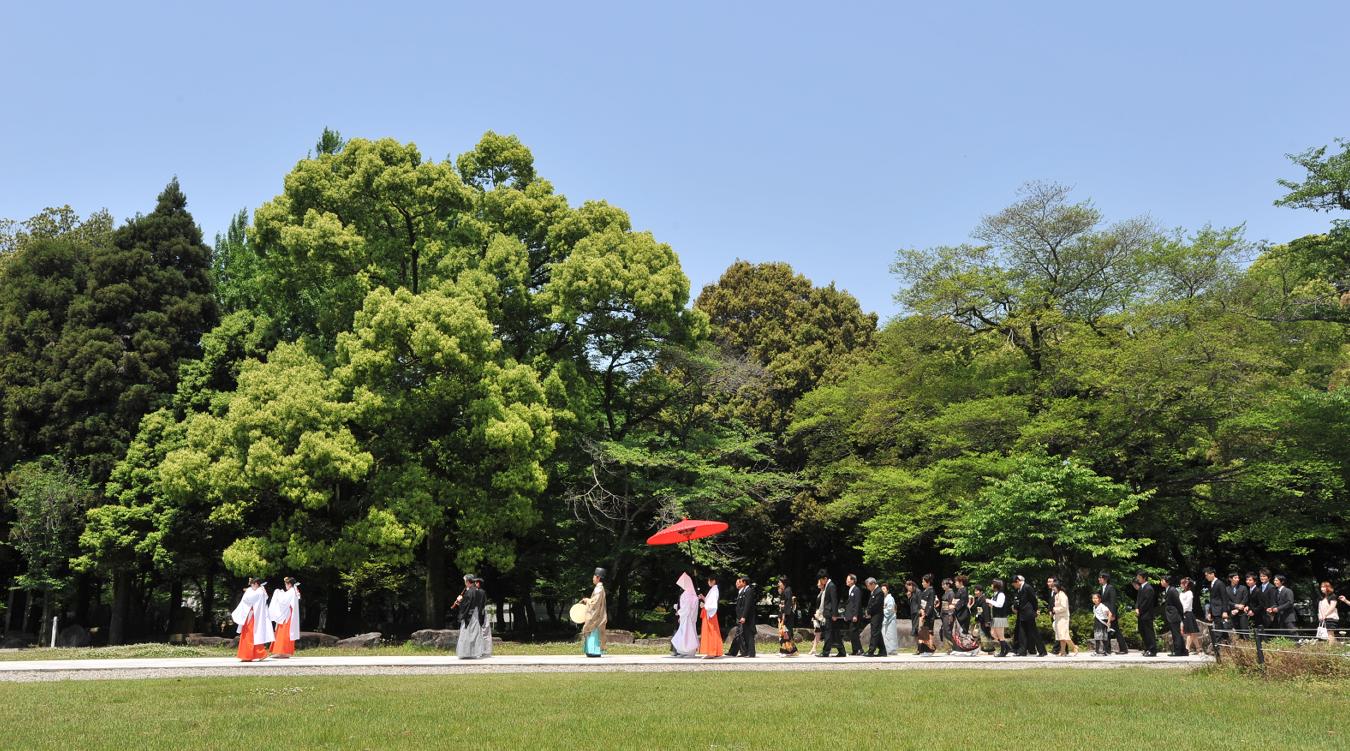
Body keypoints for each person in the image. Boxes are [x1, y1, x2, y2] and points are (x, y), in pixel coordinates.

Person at [232, 578, 274, 662]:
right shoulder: (260, 591)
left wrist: (247, 591)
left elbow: (247, 599)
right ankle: (259, 654)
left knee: (249, 635)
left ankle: (247, 655)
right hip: (252, 616)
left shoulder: (259, 591)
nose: (251, 586)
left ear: (256, 584)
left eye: (252, 584)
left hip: (254, 617)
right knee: (251, 635)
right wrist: (249, 590)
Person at [1011, 575, 1045, 657]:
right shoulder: (1020, 589)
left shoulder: (1027, 587)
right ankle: (1022, 651)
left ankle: (1042, 651)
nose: (1014, 586)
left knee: (1034, 632)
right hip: (1022, 613)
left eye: (1014, 584)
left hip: (1029, 613)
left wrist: (1036, 610)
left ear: (1017, 581)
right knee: (1022, 633)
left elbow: (1033, 599)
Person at [267, 577, 300, 659]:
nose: (285, 586)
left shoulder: (291, 591)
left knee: (283, 633)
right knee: (286, 633)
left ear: (289, 584)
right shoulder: (293, 591)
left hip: (287, 616)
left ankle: (281, 652)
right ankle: (286, 652)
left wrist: (278, 592)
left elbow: (283, 601)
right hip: (288, 615)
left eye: (286, 584)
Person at [726, 575, 757, 657]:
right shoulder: (744, 591)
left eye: (740, 581)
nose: (739, 583)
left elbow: (747, 605)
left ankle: (751, 653)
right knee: (742, 634)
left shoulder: (749, 590)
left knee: (749, 634)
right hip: (742, 617)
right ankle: (744, 652)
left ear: (744, 582)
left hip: (747, 617)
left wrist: (744, 616)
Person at [456, 574, 486, 659]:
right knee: (475, 633)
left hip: (469, 616)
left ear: (468, 582)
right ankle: (474, 652)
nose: (465, 583)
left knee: (466, 633)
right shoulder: (478, 591)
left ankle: (465, 653)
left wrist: (459, 601)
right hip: (476, 616)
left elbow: (466, 605)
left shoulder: (469, 591)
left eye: (465, 581)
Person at [1098, 572, 1128, 654]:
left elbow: (1113, 601)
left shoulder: (1110, 588)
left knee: (1116, 630)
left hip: (1111, 613)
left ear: (1105, 579)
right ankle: (1107, 649)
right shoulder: (1101, 588)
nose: (1099, 579)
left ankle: (1123, 649)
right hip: (1105, 613)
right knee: (1106, 630)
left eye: (1100, 578)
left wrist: (1113, 614)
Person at [671, 572, 700, 657]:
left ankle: (689, 651)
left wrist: (679, 612)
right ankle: (685, 651)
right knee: (686, 633)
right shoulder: (691, 593)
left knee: (686, 633)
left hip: (687, 617)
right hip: (687, 617)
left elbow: (686, 607)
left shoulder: (687, 593)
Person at [816, 570, 844, 657]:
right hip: (829, 612)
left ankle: (825, 652)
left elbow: (834, 600)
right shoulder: (828, 585)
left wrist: (835, 614)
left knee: (828, 632)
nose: (820, 582)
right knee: (835, 632)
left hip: (830, 613)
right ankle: (842, 651)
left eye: (821, 580)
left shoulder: (831, 586)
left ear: (825, 578)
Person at [581, 568, 608, 657]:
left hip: (596, 617)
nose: (593, 578)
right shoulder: (599, 588)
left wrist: (587, 600)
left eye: (594, 576)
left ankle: (594, 651)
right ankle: (591, 651)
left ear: (598, 577)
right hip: (597, 615)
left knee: (593, 631)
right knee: (593, 632)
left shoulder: (598, 589)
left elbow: (595, 602)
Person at [1049, 577, 1077, 656]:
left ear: (1057, 587)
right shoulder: (1056, 595)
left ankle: (1074, 647)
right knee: (1060, 635)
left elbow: (1064, 607)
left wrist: (1055, 609)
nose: (1053, 588)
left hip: (1063, 618)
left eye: (1054, 587)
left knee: (1064, 634)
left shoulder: (1062, 595)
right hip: (1058, 617)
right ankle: (1062, 651)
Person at [1133, 572, 1158, 656]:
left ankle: (1152, 650)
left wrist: (1140, 610)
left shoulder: (1149, 588)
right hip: (1141, 614)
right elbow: (1138, 600)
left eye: (1139, 577)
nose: (1138, 579)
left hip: (1147, 614)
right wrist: (1136, 607)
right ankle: (1147, 648)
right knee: (1142, 631)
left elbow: (1147, 602)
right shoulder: (1141, 588)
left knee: (1149, 632)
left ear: (1144, 578)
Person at [1161, 574, 1186, 656]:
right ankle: (1183, 651)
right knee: (1176, 633)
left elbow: (1178, 604)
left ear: (1167, 581)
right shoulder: (1167, 590)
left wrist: (1181, 614)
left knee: (1176, 634)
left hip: (1174, 615)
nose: (1161, 582)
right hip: (1171, 615)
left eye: (1162, 580)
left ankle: (1178, 651)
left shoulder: (1172, 590)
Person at [1203, 567, 1228, 651]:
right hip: (1214, 610)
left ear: (1212, 574)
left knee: (1219, 630)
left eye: (1207, 575)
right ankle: (1225, 648)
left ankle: (1217, 649)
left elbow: (1224, 598)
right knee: (1220, 629)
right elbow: (1212, 599)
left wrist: (1225, 611)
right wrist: (1210, 612)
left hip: (1220, 610)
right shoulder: (1212, 584)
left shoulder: (1219, 583)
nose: (1206, 577)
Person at [698, 574, 722, 658]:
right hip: (709, 613)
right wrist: (704, 598)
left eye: (709, 580)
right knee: (713, 631)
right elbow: (710, 601)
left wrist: (704, 605)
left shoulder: (714, 590)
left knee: (711, 632)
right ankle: (714, 651)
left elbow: (713, 605)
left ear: (714, 581)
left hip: (710, 614)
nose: (708, 582)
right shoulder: (713, 590)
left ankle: (711, 652)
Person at [1179, 577, 1202, 655]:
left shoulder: (1189, 593)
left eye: (1182, 583)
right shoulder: (1181, 593)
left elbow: (1187, 604)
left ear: (1186, 584)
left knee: (1190, 633)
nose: (1181, 585)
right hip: (1183, 613)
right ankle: (1199, 649)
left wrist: (1182, 612)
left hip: (1188, 613)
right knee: (1192, 633)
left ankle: (1187, 649)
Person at [988, 579, 1010, 657]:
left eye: (992, 584)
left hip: (1000, 617)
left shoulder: (1001, 594)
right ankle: (1007, 647)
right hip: (995, 617)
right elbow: (994, 604)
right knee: (993, 633)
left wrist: (990, 601)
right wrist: (991, 603)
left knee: (1000, 635)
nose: (991, 585)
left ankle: (1003, 651)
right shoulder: (995, 594)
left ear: (996, 585)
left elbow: (999, 604)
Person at [916, 574, 938, 655]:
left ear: (928, 583)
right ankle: (924, 649)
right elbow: (921, 603)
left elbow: (930, 604)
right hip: (923, 612)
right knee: (923, 632)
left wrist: (925, 613)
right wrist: (921, 610)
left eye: (923, 582)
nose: (922, 583)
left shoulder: (931, 591)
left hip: (929, 615)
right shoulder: (924, 591)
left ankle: (930, 649)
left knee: (928, 632)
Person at [864, 578, 886, 657]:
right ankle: (883, 651)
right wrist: (868, 610)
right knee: (877, 633)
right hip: (874, 614)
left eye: (868, 586)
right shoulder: (874, 592)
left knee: (874, 632)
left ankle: (871, 651)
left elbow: (876, 604)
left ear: (873, 584)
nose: (867, 587)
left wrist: (868, 611)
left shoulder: (879, 592)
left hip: (878, 615)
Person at [776, 576, 798, 656]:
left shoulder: (788, 590)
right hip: (784, 614)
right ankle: (789, 650)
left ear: (783, 583)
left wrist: (784, 614)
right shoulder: (785, 590)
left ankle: (788, 651)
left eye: (779, 582)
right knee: (784, 632)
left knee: (786, 632)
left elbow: (788, 604)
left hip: (787, 615)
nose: (778, 584)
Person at [843, 574, 864, 655]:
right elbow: (849, 604)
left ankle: (859, 649)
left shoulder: (856, 590)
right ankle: (855, 650)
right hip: (850, 615)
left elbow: (857, 603)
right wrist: (846, 615)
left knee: (854, 632)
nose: (846, 581)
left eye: (848, 579)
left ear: (852, 580)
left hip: (855, 615)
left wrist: (855, 615)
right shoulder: (850, 590)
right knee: (852, 632)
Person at [1226, 572, 1250, 637]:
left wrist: (1239, 608)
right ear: (1230, 579)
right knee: (1237, 631)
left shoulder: (1243, 588)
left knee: (1245, 630)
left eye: (1238, 578)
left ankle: (1248, 643)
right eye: (1235, 578)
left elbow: (1245, 599)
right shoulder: (1226, 589)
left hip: (1242, 612)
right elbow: (1227, 601)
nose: (1237, 579)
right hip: (1232, 612)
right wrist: (1235, 606)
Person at [474, 576, 492, 657]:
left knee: (483, 632)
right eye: (475, 582)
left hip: (480, 613)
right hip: (480, 613)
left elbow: (481, 604)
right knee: (484, 632)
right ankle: (484, 650)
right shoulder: (481, 592)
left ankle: (482, 650)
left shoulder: (479, 592)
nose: (476, 583)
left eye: (477, 582)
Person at [881, 582, 900, 655]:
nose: (882, 590)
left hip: (890, 619)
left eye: (884, 589)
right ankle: (887, 649)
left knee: (890, 635)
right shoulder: (884, 598)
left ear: (887, 590)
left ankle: (892, 650)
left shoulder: (890, 598)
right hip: (885, 619)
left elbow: (890, 609)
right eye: (881, 589)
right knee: (885, 635)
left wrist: (881, 610)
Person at [904, 580, 921, 651]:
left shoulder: (918, 591)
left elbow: (920, 602)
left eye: (908, 587)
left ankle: (921, 648)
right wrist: (909, 597)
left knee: (917, 630)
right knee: (915, 631)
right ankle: (919, 648)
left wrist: (920, 611)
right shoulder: (912, 593)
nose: (908, 589)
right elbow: (910, 604)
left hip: (917, 613)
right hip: (913, 613)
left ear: (912, 585)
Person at [939, 578, 956, 647]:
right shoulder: (946, 593)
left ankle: (955, 646)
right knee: (945, 631)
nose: (942, 586)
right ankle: (950, 647)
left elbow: (952, 604)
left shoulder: (951, 593)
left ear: (948, 585)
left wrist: (951, 615)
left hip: (948, 614)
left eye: (944, 584)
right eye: (942, 585)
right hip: (944, 613)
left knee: (947, 630)